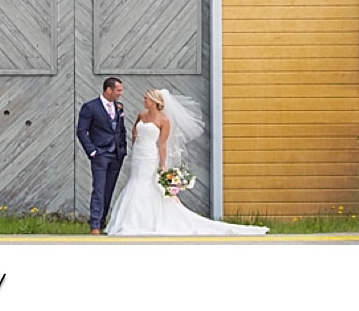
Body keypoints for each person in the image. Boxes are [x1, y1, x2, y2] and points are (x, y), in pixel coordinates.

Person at [105, 88, 267, 236]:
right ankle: (132, 221)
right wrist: (136, 145)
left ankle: (143, 221)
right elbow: (134, 131)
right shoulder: (142, 115)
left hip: (150, 156)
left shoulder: (164, 120)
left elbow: (162, 144)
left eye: (146, 98)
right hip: (139, 154)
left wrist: (162, 165)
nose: (144, 101)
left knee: (146, 184)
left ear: (155, 102)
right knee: (135, 182)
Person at [76, 77, 127, 234]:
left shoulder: (119, 107)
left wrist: (123, 148)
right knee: (99, 188)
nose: (121, 93)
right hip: (100, 154)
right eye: (118, 90)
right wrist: (92, 151)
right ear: (108, 90)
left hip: (116, 155)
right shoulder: (90, 107)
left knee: (108, 190)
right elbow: (81, 131)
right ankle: (95, 225)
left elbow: (120, 129)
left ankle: (103, 221)